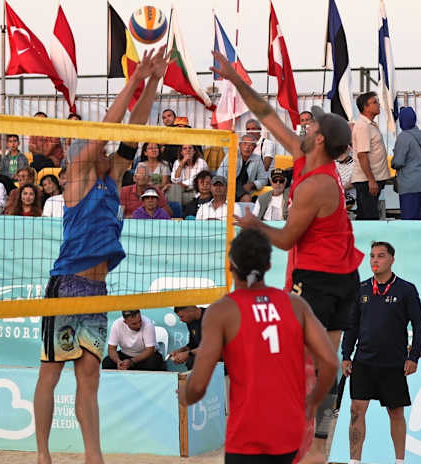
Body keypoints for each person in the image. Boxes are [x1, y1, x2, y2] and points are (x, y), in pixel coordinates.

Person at [213, 49, 363, 462]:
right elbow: (265, 112)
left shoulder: (317, 183)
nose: (304, 121)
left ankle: (296, 448)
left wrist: (253, 225)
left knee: (304, 369)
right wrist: (234, 78)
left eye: (311, 122)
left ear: (318, 139)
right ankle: (317, 451)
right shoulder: (305, 157)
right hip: (339, 276)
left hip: (316, 278)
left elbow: (282, 240)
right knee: (323, 367)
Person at [34, 47, 168, 464]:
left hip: (97, 288)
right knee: (51, 373)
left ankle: (95, 456)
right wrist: (132, 79)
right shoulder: (77, 175)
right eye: (95, 149)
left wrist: (155, 81)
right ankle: (42, 454)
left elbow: (132, 130)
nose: (111, 152)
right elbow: (107, 131)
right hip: (68, 283)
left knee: (89, 376)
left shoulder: (111, 177)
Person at [180, 229, 338, 464]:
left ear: (231, 265)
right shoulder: (295, 305)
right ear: (269, 265)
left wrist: (185, 395)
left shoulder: (221, 311)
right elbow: (330, 362)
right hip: (289, 430)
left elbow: (199, 384)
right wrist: (313, 400)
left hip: (248, 433)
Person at [342, 241, 421, 464]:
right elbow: (352, 325)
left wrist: (413, 356)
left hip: (393, 362)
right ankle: (354, 461)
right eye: (372, 256)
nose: (375, 261)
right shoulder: (361, 289)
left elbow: (418, 325)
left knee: (396, 412)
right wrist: (346, 355)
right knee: (356, 410)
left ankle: (399, 461)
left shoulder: (406, 289)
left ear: (392, 260)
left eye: (380, 256)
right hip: (363, 361)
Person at [351, 91, 392, 220]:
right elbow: (362, 155)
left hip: (370, 179)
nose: (378, 104)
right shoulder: (363, 126)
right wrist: (371, 180)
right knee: (370, 217)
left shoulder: (370, 125)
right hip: (367, 181)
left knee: (365, 216)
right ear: (365, 107)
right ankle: (369, 240)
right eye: (374, 102)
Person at [391, 107, 421, 220]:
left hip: (410, 183)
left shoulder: (403, 137)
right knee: (420, 218)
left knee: (409, 219)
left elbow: (398, 162)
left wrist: (393, 161)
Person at [218, 133, 269, 202]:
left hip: (245, 189)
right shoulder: (232, 154)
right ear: (240, 145)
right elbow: (220, 173)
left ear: (254, 147)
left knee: (247, 199)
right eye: (244, 144)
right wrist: (226, 187)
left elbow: (264, 179)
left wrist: (252, 184)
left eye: (250, 145)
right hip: (229, 186)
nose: (247, 147)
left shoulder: (257, 159)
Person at [167, 305, 203, 370]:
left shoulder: (210, 317)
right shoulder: (190, 321)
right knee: (191, 360)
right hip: (203, 354)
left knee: (193, 360)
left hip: (221, 356)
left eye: (181, 316)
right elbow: (192, 344)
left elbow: (212, 347)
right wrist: (180, 351)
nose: (180, 320)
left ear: (190, 311)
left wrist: (188, 354)